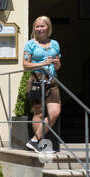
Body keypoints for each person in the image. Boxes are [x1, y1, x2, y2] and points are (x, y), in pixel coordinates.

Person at [22, 15, 61, 151]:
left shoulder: (55, 44)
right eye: (37, 26)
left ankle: (34, 140)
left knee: (54, 112)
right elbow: (25, 65)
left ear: (48, 27)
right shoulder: (30, 44)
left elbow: (58, 65)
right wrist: (42, 63)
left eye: (42, 26)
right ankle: (38, 144)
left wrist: (56, 64)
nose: (39, 29)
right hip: (36, 80)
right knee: (38, 113)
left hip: (51, 80)